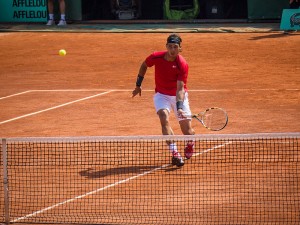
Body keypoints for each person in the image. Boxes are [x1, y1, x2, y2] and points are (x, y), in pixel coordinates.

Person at [132, 33, 195, 167]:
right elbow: (144, 65)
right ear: (166, 46)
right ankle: (175, 153)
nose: (172, 50)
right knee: (163, 117)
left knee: (188, 131)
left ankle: (190, 142)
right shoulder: (156, 56)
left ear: (180, 49)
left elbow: (180, 89)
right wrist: (138, 85)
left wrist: (179, 107)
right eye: (170, 46)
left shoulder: (182, 64)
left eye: (175, 47)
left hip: (179, 96)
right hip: (161, 95)